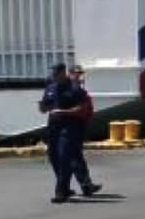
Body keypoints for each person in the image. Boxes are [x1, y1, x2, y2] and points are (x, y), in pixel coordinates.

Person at [40, 63, 101, 203]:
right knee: (54, 157)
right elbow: (46, 105)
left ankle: (61, 191)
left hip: (70, 128)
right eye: (52, 74)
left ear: (63, 73)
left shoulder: (74, 88)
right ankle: (72, 187)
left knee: (65, 157)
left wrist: (64, 112)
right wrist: (43, 107)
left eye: (56, 73)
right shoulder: (50, 88)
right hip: (53, 127)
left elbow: (83, 108)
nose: (53, 76)